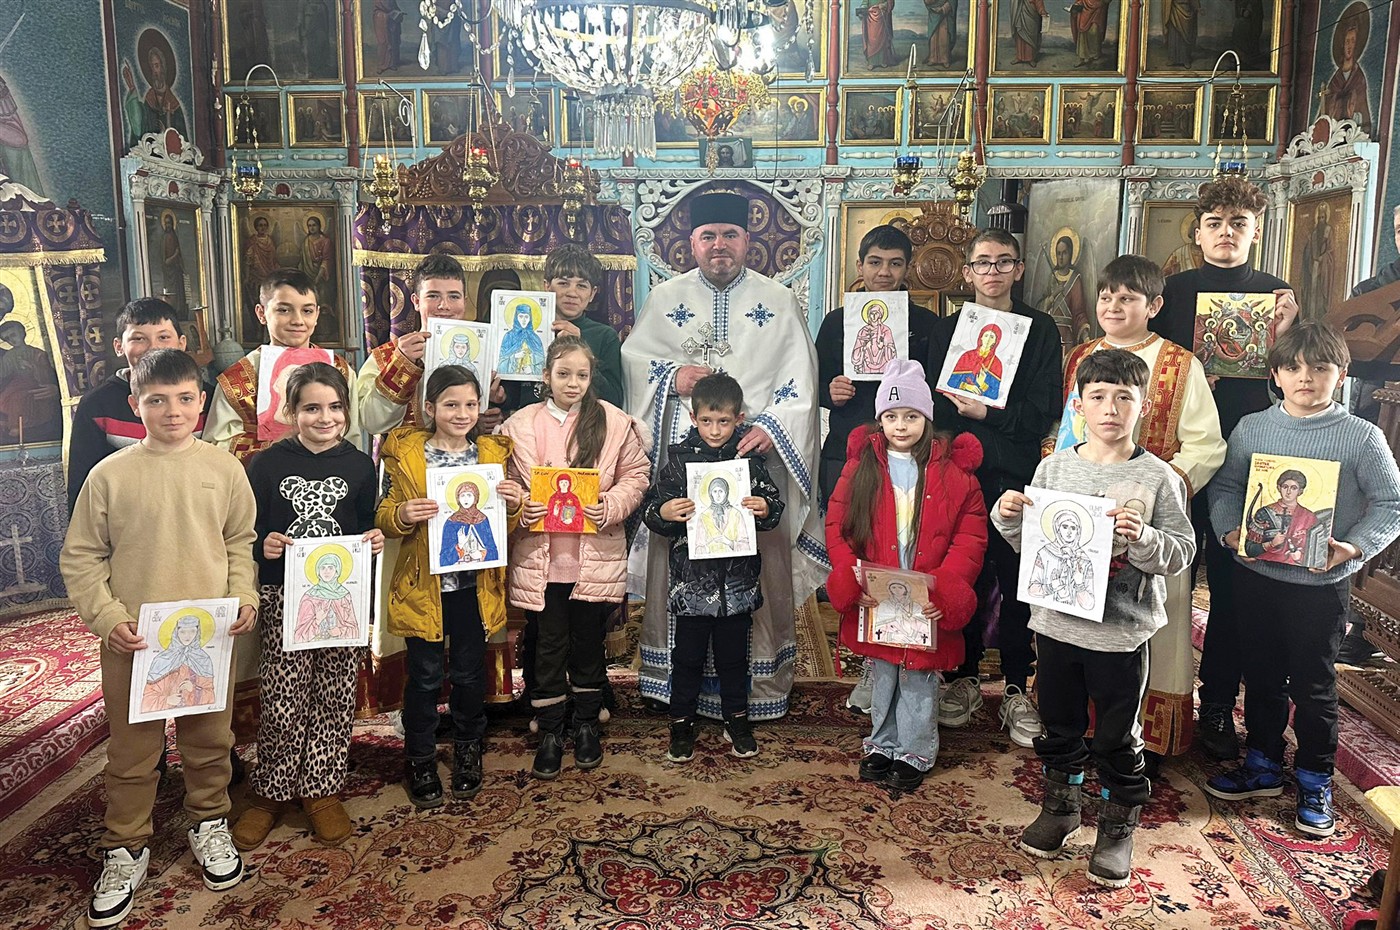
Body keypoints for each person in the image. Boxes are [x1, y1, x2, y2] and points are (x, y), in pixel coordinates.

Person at [61, 348, 258, 928]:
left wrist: (244, 597)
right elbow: (81, 556)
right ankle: (125, 844)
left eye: (185, 398)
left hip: (208, 636)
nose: (173, 410)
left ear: (202, 402)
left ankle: (209, 819)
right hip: (135, 640)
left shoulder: (225, 469)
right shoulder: (109, 475)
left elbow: (240, 543)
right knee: (133, 748)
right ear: (135, 404)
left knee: (209, 738)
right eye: (157, 400)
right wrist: (106, 617)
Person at [994, 348, 1195, 888]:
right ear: (1078, 405)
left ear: (1143, 405)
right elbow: (1033, 546)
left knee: (1115, 735)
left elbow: (1181, 552)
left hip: (1121, 631)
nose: (1110, 408)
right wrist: (1007, 517)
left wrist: (1144, 537)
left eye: (1124, 397)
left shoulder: (1158, 478)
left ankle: (1116, 827)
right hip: (1056, 626)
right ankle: (1060, 808)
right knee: (1058, 723)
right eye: (1098, 396)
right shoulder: (1054, 467)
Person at [624, 190, 826, 722]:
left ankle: (753, 690)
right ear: (692, 242)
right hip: (687, 465)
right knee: (681, 563)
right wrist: (672, 377)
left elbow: (800, 385)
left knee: (755, 569)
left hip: (756, 458)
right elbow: (636, 364)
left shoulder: (778, 302)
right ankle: (676, 687)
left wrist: (771, 428)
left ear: (747, 240)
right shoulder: (664, 299)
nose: (719, 245)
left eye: (730, 235)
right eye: (708, 236)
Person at [1207, 323, 1400, 839]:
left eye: (1320, 368)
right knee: (1261, 675)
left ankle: (1315, 779)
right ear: (1275, 375)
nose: (1306, 378)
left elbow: (1391, 503)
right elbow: (1226, 486)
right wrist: (1229, 531)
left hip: (1320, 586)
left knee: (1314, 685)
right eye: (1293, 368)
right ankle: (1263, 762)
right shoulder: (1252, 428)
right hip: (1257, 576)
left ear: (1342, 374)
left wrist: (1353, 548)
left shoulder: (1362, 436)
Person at [1148, 176, 1300, 762]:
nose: (1226, 233)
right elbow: (1150, 368)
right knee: (1167, 578)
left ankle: (1214, 704)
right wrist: (1188, 381)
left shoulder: (1277, 295)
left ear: (1256, 232)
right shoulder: (1172, 291)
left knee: (1234, 588)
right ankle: (1154, 696)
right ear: (1198, 232)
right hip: (1182, 455)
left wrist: (1284, 335)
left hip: (1251, 453)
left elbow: (1294, 377)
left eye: (1239, 223)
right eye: (1215, 223)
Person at [1058, 255, 1226, 773]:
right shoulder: (1081, 355)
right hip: (1083, 515)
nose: (1113, 306)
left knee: (1152, 621)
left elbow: (1207, 443)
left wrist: (1158, 489)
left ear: (1152, 306)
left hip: (1146, 522)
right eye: (1106, 296)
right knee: (1076, 615)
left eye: (1127, 298)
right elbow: (1066, 429)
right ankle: (1077, 729)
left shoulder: (1179, 363)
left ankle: (1140, 740)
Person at [232, 363, 383, 850]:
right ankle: (270, 792)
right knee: (284, 696)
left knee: (336, 693)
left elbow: (363, 524)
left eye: (335, 407)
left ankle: (321, 789)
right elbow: (247, 532)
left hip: (343, 598)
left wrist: (373, 540)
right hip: (285, 595)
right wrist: (264, 546)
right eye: (312, 408)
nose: (325, 418)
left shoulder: (360, 466)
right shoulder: (266, 465)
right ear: (291, 411)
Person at [826, 359, 987, 791]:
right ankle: (881, 743)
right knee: (883, 670)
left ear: (927, 418)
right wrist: (851, 575)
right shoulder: (861, 467)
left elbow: (970, 536)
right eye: (892, 416)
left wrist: (947, 587)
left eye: (912, 416)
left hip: (925, 592)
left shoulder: (954, 472)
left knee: (918, 673)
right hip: (879, 594)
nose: (901, 426)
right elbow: (838, 525)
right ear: (880, 420)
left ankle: (915, 749)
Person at [930, 229, 1062, 747]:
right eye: (982, 263)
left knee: (1014, 579)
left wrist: (988, 413)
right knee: (963, 572)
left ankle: (1014, 686)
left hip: (1015, 473)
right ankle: (962, 677)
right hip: (959, 472)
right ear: (967, 272)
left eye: (1003, 262)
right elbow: (935, 408)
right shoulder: (948, 331)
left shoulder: (1040, 329)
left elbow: (1043, 410)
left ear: (1019, 269)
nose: (992, 272)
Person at [501, 336, 650, 778]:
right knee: (548, 645)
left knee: (588, 643)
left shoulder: (612, 422)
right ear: (546, 376)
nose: (573, 383)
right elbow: (504, 482)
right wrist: (520, 505)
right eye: (563, 374)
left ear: (591, 377)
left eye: (581, 375)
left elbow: (636, 475)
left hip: (593, 560)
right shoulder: (520, 425)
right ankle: (550, 729)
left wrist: (611, 505)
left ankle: (586, 724)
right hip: (542, 561)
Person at [378, 365, 524, 808]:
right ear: (430, 407)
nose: (462, 414)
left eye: (471, 404)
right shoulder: (407, 454)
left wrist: (512, 506)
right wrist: (402, 514)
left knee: (467, 672)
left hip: (473, 587)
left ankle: (467, 748)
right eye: (451, 404)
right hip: (424, 585)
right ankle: (420, 757)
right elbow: (383, 514)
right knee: (424, 676)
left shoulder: (491, 454)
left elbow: (501, 529)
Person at [640, 372, 784, 760]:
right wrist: (665, 512)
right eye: (707, 421)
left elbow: (773, 507)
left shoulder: (749, 463)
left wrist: (764, 507)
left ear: (739, 419)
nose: (715, 430)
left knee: (733, 658)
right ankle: (681, 723)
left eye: (723, 421)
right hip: (691, 586)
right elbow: (653, 509)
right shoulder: (678, 461)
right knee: (686, 658)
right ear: (693, 417)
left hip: (737, 584)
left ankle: (736, 720)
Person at [818, 225, 942, 508]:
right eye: (875, 262)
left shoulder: (928, 324)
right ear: (860, 266)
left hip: (910, 447)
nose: (884, 272)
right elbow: (814, 383)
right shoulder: (836, 322)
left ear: (907, 268)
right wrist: (830, 392)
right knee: (844, 523)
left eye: (895, 263)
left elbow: (938, 387)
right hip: (847, 444)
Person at [1334, 205, 1400, 665]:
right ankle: (1360, 627)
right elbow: (1347, 355)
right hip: (1381, 419)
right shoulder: (1372, 291)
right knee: (1370, 515)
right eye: (1398, 228)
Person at [208, 269, 357, 463]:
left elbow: (352, 436)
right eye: (284, 310)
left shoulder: (340, 370)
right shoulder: (237, 379)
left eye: (307, 311)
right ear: (261, 313)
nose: (297, 321)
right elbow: (216, 448)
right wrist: (279, 444)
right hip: (265, 476)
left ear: (317, 315)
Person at [356, 253, 508, 436]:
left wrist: (486, 415)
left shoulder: (489, 353)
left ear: (465, 302)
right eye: (433, 296)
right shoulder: (386, 356)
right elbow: (371, 423)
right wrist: (401, 365)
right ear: (416, 301)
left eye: (454, 296)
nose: (444, 305)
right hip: (407, 453)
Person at [537, 244, 625, 408]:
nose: (572, 293)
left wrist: (581, 347)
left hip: (585, 420)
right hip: (529, 419)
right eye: (563, 283)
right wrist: (501, 399)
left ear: (592, 293)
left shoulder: (605, 336)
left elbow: (613, 399)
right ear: (547, 286)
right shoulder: (530, 329)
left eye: (582, 286)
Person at [1243, 469, 1320, 565]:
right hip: (1264, 565)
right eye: (1285, 487)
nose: (1288, 492)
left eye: (1294, 488)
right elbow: (1249, 549)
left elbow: (1317, 551)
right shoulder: (1264, 513)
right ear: (1279, 488)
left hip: (1297, 569)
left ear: (1300, 491)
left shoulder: (1309, 517)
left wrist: (1300, 556)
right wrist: (1271, 544)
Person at [1039, 232, 1091, 350]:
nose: (1061, 257)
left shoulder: (1075, 279)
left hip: (1067, 335)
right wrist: (1054, 295)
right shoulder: (1052, 278)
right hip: (1049, 332)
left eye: (1064, 253)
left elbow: (1079, 312)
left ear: (1071, 254)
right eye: (1058, 253)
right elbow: (1041, 307)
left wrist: (1086, 336)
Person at [439, 479, 499, 567]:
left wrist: (481, 554)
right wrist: (460, 545)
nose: (465, 499)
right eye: (462, 495)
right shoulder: (451, 522)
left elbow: (493, 552)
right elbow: (443, 560)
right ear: (458, 499)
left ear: (475, 498)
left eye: (469, 495)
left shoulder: (482, 519)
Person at [946, 324, 1006, 400]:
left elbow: (994, 394)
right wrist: (966, 386)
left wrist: (982, 384)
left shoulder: (997, 363)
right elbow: (951, 382)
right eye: (986, 335)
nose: (988, 339)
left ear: (995, 341)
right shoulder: (967, 355)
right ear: (981, 337)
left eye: (992, 337)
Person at [850, 298, 899, 376]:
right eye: (871, 313)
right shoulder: (863, 331)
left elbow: (891, 350)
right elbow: (856, 352)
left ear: (880, 315)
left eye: (876, 313)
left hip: (883, 365)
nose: (873, 316)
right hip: (867, 364)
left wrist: (883, 347)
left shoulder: (885, 330)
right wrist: (864, 347)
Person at [499, 299, 544, 376]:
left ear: (530, 318)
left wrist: (532, 368)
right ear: (516, 318)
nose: (523, 320)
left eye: (526, 317)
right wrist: (515, 356)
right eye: (520, 316)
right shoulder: (508, 336)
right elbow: (501, 362)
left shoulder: (535, 338)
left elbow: (542, 362)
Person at [860, 0, 897, 68]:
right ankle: (872, 62)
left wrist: (884, 5)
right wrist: (863, 7)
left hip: (882, 15)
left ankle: (883, 61)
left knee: (882, 39)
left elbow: (890, 2)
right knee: (871, 39)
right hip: (870, 17)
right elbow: (865, 2)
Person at [1162, 0, 1199, 67]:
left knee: (1185, 36)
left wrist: (1197, 7)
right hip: (1174, 10)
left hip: (1186, 8)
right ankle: (1172, 59)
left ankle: (1186, 59)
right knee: (1173, 35)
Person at [1011, 0, 1049, 65]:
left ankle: (1031, 58)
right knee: (1020, 35)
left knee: (1031, 37)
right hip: (1021, 12)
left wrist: (1042, 10)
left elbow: (1039, 2)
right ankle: (1019, 57)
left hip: (1032, 14)